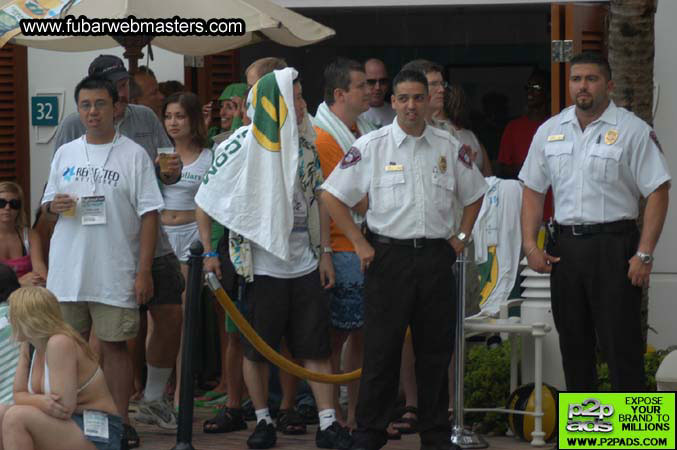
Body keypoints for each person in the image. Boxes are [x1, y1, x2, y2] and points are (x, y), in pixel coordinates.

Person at [321, 69, 487, 450]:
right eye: (403, 98)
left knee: (434, 352)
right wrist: (360, 245)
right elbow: (331, 195)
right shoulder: (372, 146)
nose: (411, 105)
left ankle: (434, 434)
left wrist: (461, 237)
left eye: (418, 97)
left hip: (435, 258)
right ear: (393, 102)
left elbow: (476, 192)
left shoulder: (448, 146)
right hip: (388, 258)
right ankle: (369, 433)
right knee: (381, 352)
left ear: (429, 101)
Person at [196, 68, 352, 450]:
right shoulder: (239, 143)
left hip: (304, 260)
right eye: (295, 97)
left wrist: (326, 253)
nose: (301, 104)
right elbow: (206, 201)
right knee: (257, 347)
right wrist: (210, 252)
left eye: (300, 97)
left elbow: (320, 201)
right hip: (259, 264)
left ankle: (328, 424)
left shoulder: (308, 145)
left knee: (315, 346)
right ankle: (263, 419)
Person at [47, 55, 184, 447]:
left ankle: (121, 421)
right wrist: (50, 208)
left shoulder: (136, 145)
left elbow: (149, 209)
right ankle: (73, 423)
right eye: (86, 105)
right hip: (69, 272)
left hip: (118, 264)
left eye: (101, 103)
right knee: (67, 347)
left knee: (117, 345)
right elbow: (46, 202)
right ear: (80, 108)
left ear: (115, 104)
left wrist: (142, 271)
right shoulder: (67, 147)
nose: (93, 111)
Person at [520, 52, 671, 391]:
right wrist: (530, 244)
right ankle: (586, 437)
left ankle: (630, 440)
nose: (582, 86)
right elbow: (532, 189)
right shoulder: (550, 130)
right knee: (574, 345)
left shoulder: (632, 130)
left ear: (609, 84)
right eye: (576, 79)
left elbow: (659, 190)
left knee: (622, 346)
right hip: (566, 249)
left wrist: (644, 253)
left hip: (615, 247)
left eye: (591, 79)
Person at [314, 57, 372, 431]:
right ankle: (336, 420)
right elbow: (349, 198)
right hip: (343, 248)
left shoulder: (361, 128)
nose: (371, 91)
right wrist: (328, 254)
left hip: (361, 246)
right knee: (337, 340)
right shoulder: (325, 137)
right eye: (362, 86)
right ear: (340, 94)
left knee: (363, 336)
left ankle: (356, 416)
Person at [0, 286, 122, 450]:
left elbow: (63, 407)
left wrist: (32, 401)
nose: (9, 320)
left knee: (16, 417)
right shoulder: (28, 345)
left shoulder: (59, 342)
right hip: (65, 425)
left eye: (12, 315)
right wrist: (40, 401)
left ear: (29, 319)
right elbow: (18, 394)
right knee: (1, 412)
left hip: (97, 430)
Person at [159, 91, 212, 410]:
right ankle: (158, 389)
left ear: (194, 119)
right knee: (160, 320)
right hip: (163, 236)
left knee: (183, 317)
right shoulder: (159, 153)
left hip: (192, 235)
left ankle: (181, 391)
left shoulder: (209, 155)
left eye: (180, 116)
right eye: (168, 116)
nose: (173, 122)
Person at [0, 182, 47, 287]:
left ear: (19, 209)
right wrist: (18, 283)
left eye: (14, 204)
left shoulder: (30, 236)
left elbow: (42, 275)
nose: (7, 208)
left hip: (26, 299)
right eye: (1, 203)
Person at [359, 58, 395, 128]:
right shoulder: (353, 114)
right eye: (371, 82)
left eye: (383, 81)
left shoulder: (398, 113)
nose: (377, 87)